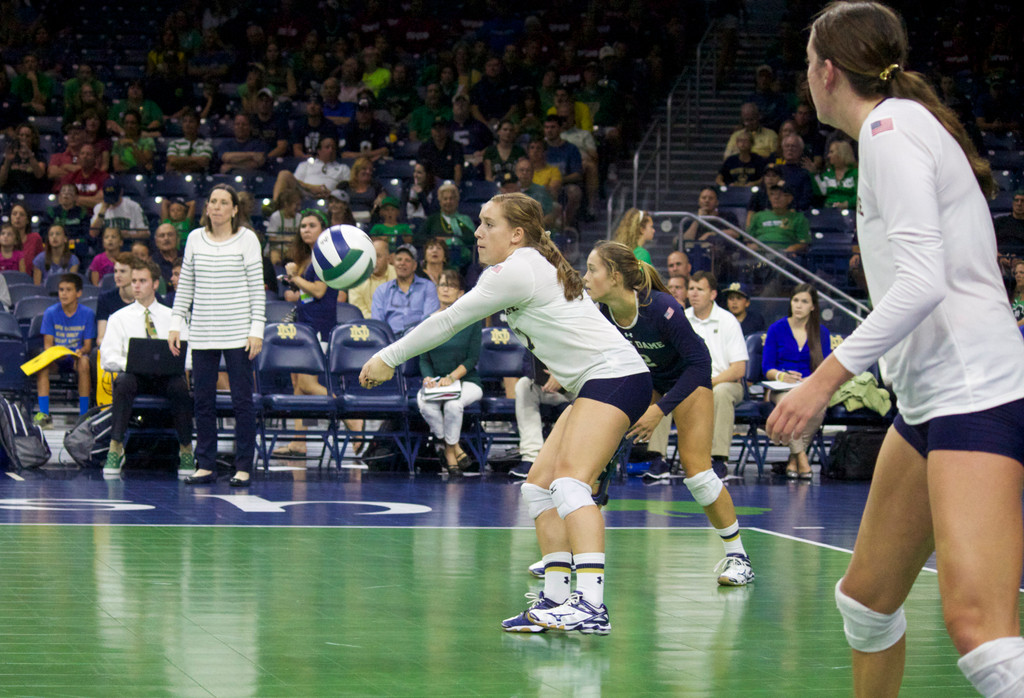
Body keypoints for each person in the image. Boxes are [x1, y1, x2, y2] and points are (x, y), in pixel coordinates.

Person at [767, 5, 1024, 695]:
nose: (805, 76)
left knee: (982, 636)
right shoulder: (896, 129)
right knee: (867, 601)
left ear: (827, 72)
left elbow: (921, 283)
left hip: (976, 393)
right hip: (928, 403)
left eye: (807, 63)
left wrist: (822, 380)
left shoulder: (889, 130)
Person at [360, 193, 651, 635]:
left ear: (516, 234)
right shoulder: (530, 264)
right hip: (601, 381)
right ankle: (555, 598)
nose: (478, 232)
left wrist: (388, 357)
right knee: (537, 488)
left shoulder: (518, 269)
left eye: (488, 224)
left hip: (615, 377)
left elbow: (448, 320)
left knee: (569, 483)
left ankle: (591, 604)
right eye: (479, 222)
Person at [586, 243, 754, 584]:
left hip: (687, 379)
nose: (585, 277)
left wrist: (659, 410)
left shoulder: (660, 307)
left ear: (615, 276)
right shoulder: (602, 311)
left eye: (592, 269)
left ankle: (739, 558)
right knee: (591, 462)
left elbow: (700, 364)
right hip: (647, 378)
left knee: (698, 474)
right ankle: (572, 554)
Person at [169, 184, 266, 488]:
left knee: (242, 401)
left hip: (239, 333)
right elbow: (186, 284)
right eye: (213, 201)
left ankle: (243, 467)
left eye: (224, 202)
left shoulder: (247, 239)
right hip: (202, 332)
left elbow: (257, 287)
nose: (217, 207)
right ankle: (206, 465)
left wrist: (257, 329)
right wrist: (175, 322)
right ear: (207, 207)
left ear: (235, 209)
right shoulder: (194, 238)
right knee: (203, 401)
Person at [99, 260, 194, 478]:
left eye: (142, 281)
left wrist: (173, 364)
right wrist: (134, 363)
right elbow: (107, 358)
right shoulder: (118, 318)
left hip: (166, 377)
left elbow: (190, 355)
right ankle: (115, 448)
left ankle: (186, 450)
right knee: (123, 381)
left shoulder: (174, 317)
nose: (136, 285)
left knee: (180, 385)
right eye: (134, 281)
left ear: (155, 284)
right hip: (135, 377)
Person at [272, 209, 339, 457]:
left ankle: (352, 419)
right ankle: (299, 442)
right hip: (304, 324)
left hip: (319, 325)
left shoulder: (327, 257)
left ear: (323, 230)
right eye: (303, 226)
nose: (306, 230)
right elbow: (307, 292)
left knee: (308, 384)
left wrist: (294, 277)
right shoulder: (309, 257)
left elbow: (319, 291)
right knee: (298, 385)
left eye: (312, 225)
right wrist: (295, 284)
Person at [414, 268, 484, 476]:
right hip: (436, 382)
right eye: (442, 285)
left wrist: (452, 377)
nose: (445, 289)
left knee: (453, 405)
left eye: (451, 286)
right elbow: (423, 358)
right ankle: (453, 446)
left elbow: (472, 358)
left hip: (467, 381)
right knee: (425, 405)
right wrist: (428, 378)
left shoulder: (471, 321)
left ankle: (449, 453)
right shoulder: (428, 321)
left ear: (460, 293)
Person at [762, 283, 831, 479]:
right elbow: (767, 368)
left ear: (813, 307)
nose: (799, 305)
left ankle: (793, 460)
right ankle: (802, 458)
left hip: (810, 387)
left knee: (819, 406)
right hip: (781, 388)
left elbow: (826, 368)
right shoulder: (776, 329)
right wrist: (782, 376)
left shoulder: (822, 332)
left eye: (804, 302)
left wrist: (810, 381)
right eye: (795, 300)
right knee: (789, 404)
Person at [685, 272, 750, 475]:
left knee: (721, 393)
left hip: (724, 382)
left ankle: (719, 459)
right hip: (689, 383)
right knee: (664, 391)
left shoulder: (728, 321)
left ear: (712, 294)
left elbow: (738, 369)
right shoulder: (681, 318)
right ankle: (656, 459)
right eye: (691, 289)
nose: (694, 293)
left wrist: (709, 382)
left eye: (700, 289)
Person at [34, 274, 95, 426]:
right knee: (42, 365)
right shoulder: (50, 312)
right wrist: (56, 354)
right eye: (61, 290)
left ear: (78, 293)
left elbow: (88, 346)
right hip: (56, 358)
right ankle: (44, 415)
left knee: (84, 362)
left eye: (68, 290)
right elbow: (48, 345)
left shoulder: (88, 314)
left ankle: (83, 415)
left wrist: (80, 352)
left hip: (76, 358)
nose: (64, 294)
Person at [371, 244, 439, 336]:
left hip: (418, 337)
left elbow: (428, 320)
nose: (402, 263)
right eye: (399, 259)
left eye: (407, 260)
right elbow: (377, 323)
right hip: (390, 339)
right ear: (394, 263)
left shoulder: (428, 287)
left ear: (414, 266)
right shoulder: (382, 290)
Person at [417, 183, 476, 271]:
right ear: (440, 202)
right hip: (435, 262)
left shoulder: (465, 220)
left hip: (462, 265)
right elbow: (418, 238)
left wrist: (454, 240)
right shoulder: (432, 219)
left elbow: (472, 239)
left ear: (457, 201)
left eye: (451, 198)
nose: (448, 202)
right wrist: (437, 240)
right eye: (445, 199)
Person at [746, 182, 811, 254]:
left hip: (785, 253)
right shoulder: (758, 216)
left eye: (780, 195)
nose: (776, 198)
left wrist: (792, 249)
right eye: (772, 194)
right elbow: (748, 238)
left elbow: (804, 242)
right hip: (760, 253)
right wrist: (751, 247)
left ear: (790, 198)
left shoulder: (798, 218)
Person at [348, 237, 395, 318]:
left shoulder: (398, 275)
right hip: (367, 324)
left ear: (388, 258)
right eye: (371, 256)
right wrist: (377, 320)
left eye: (378, 256)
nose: (374, 260)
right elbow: (357, 311)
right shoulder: (358, 278)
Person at [95, 253, 137, 343]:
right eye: (115, 271)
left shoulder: (145, 298)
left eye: (122, 271)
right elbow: (101, 338)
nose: (117, 275)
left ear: (134, 273)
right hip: (113, 346)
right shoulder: (105, 298)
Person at [813, 140, 858, 209]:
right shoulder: (828, 174)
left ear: (842, 153)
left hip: (849, 211)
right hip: (829, 210)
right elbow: (821, 192)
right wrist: (814, 173)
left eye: (831, 152)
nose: (828, 155)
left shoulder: (855, 173)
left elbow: (860, 196)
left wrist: (846, 204)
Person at [9, 203, 44, 275]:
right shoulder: (2, 239)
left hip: (29, 280)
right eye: (14, 214)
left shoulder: (35, 239)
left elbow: (41, 265)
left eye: (22, 215)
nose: (17, 217)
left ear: (27, 220)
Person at [1010, 259, 1024, 328]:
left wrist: (1013, 327)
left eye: (1021, 272)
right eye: (1016, 273)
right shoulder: (1015, 298)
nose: (1018, 275)